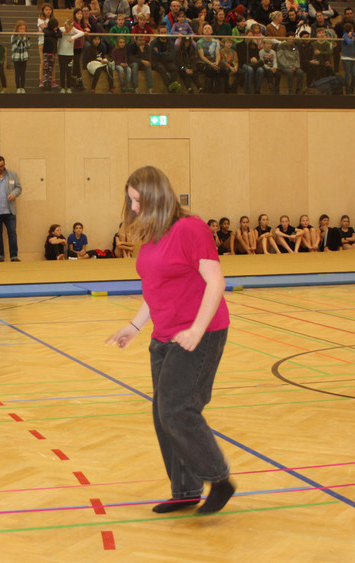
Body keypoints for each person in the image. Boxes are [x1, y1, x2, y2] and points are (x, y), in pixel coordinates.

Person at [106, 166, 235, 515]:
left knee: (177, 410)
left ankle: (220, 479)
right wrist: (134, 326)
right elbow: (157, 287)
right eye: (131, 201)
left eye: (138, 201)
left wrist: (196, 330)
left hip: (199, 334)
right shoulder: (153, 233)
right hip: (164, 334)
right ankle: (186, 490)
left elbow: (216, 282)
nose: (134, 208)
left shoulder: (190, 228)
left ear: (157, 197)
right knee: (163, 414)